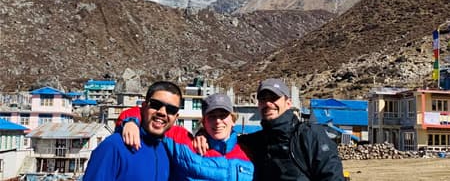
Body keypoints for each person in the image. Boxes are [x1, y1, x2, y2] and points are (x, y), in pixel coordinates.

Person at [116, 92, 254, 181]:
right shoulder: (184, 142)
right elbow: (152, 117)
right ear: (204, 122)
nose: (218, 121)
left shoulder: (250, 152)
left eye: (223, 116)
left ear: (233, 119)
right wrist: (130, 121)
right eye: (212, 117)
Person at [237, 78, 345, 181]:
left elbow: (332, 175)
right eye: (263, 99)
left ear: (288, 103)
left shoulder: (309, 136)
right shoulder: (255, 142)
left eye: (274, 98)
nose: (268, 103)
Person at [83, 80, 182, 181]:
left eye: (171, 110)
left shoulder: (169, 152)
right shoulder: (114, 146)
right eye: (155, 104)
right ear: (144, 107)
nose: (162, 112)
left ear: (176, 117)